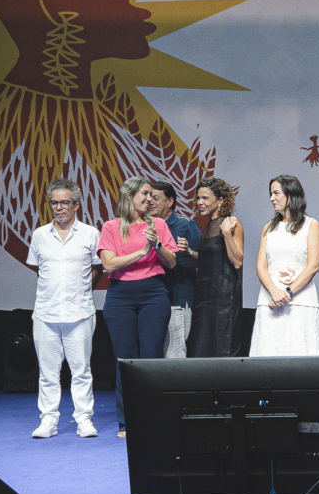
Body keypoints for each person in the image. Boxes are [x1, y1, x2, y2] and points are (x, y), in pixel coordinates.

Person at [98, 177, 177, 438]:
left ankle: (155, 418)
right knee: (126, 359)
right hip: (120, 296)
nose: (150, 199)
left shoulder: (160, 225)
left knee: (152, 357)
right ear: (129, 195)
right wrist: (143, 250)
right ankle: (127, 421)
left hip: (153, 293)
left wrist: (157, 246)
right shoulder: (112, 226)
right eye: (145, 194)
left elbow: (172, 262)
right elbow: (109, 265)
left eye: (152, 195)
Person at [27, 179, 103, 439]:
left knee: (81, 371)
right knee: (47, 373)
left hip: (80, 312)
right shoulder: (39, 235)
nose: (59, 208)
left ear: (76, 205)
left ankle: (84, 420)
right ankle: (48, 421)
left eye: (64, 202)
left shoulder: (90, 233)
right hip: (45, 314)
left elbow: (97, 268)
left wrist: (79, 291)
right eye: (54, 203)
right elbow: (40, 270)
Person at [249, 175, 319, 356]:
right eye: (271, 194)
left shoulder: (311, 225)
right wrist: (275, 292)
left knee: (300, 351)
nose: (271, 198)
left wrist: (288, 292)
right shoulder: (268, 227)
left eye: (276, 193)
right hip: (270, 299)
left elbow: (313, 266)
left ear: (291, 194)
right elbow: (261, 266)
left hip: (301, 300)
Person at [186, 178, 244, 358]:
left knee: (222, 347)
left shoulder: (231, 222)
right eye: (198, 198)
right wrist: (187, 252)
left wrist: (227, 233)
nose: (199, 203)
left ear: (221, 200)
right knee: (200, 346)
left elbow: (237, 261)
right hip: (204, 296)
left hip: (224, 298)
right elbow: (204, 260)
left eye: (205, 198)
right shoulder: (209, 224)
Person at [148, 181, 201, 358]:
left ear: (170, 202)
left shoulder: (185, 225)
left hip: (177, 299)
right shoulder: (146, 226)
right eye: (148, 198)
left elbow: (201, 261)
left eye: (155, 198)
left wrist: (187, 252)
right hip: (152, 299)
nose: (150, 202)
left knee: (175, 353)